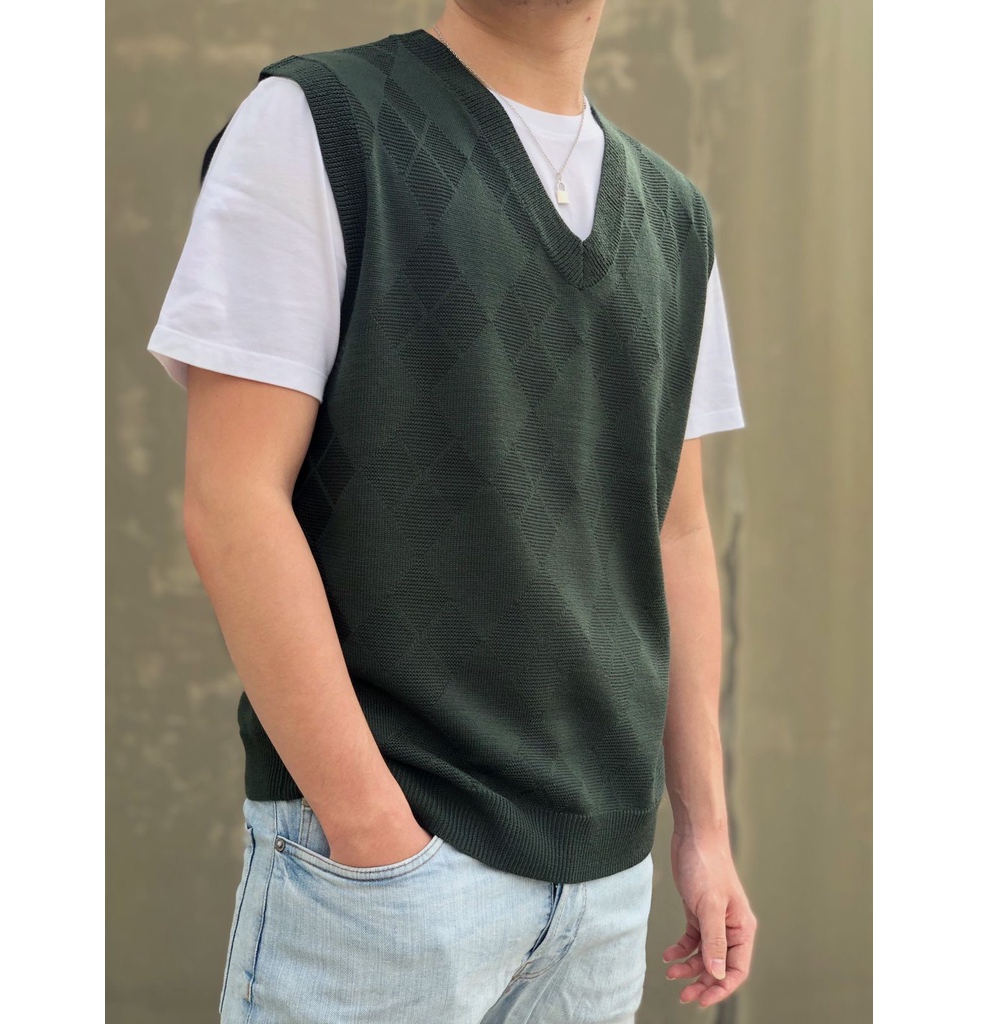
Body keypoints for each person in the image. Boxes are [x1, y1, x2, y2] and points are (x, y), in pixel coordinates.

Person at [147, 2, 757, 1021]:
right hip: (389, 873)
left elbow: (675, 531)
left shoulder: (674, 216)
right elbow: (232, 499)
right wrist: (374, 834)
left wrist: (703, 833)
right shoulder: (320, 121)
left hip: (606, 886)